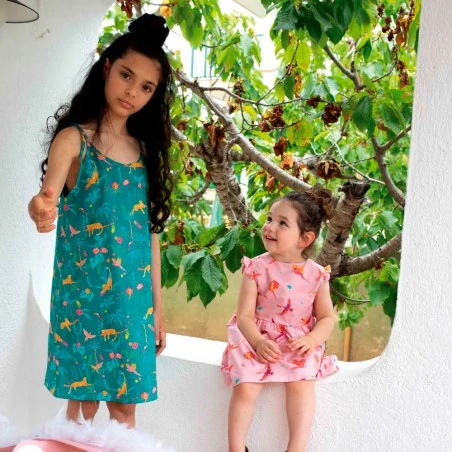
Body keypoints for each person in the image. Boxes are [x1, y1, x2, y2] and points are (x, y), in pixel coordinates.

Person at [27, 13, 173, 428]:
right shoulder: (73, 139)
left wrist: (157, 310)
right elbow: (45, 198)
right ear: (107, 67)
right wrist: (41, 209)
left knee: (126, 409)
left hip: (133, 304)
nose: (132, 92)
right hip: (83, 300)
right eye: (127, 75)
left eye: (146, 87)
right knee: (84, 409)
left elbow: (150, 236)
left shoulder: (145, 152)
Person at [222, 189, 340, 452]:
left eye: (282, 223)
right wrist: (258, 342)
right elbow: (244, 316)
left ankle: (296, 448)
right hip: (256, 338)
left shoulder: (317, 275)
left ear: (305, 239)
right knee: (246, 387)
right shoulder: (255, 268)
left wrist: (311, 339)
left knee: (301, 384)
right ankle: (236, 448)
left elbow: (326, 318)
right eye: (269, 219)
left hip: (296, 342)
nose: (270, 227)